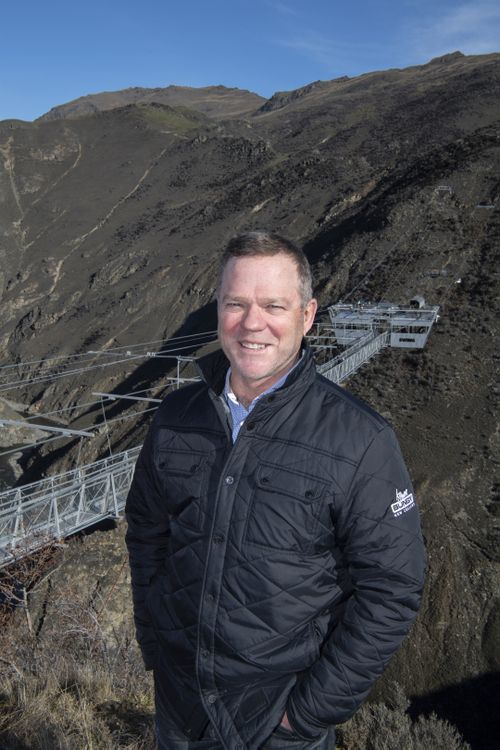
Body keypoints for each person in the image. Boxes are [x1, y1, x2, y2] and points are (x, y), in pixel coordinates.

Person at [125, 231, 426, 750]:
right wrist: (157, 648)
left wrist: (306, 715)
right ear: (217, 309)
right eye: (235, 303)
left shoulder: (361, 440)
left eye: (273, 305)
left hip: (276, 727)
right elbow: (147, 534)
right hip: (179, 712)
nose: (252, 323)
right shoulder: (176, 419)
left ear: (307, 316)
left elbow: (393, 590)